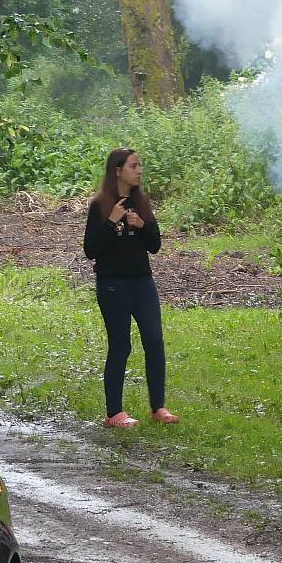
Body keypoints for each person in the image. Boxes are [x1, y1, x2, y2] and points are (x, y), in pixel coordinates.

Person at [84, 148, 179, 428]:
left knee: (154, 340)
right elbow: (91, 250)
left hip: (142, 282)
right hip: (112, 284)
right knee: (120, 345)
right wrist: (111, 220)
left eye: (139, 166)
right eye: (134, 166)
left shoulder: (142, 202)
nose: (139, 171)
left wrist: (143, 224)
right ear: (118, 170)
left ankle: (158, 407)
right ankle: (114, 414)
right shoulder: (99, 205)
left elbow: (155, 245)